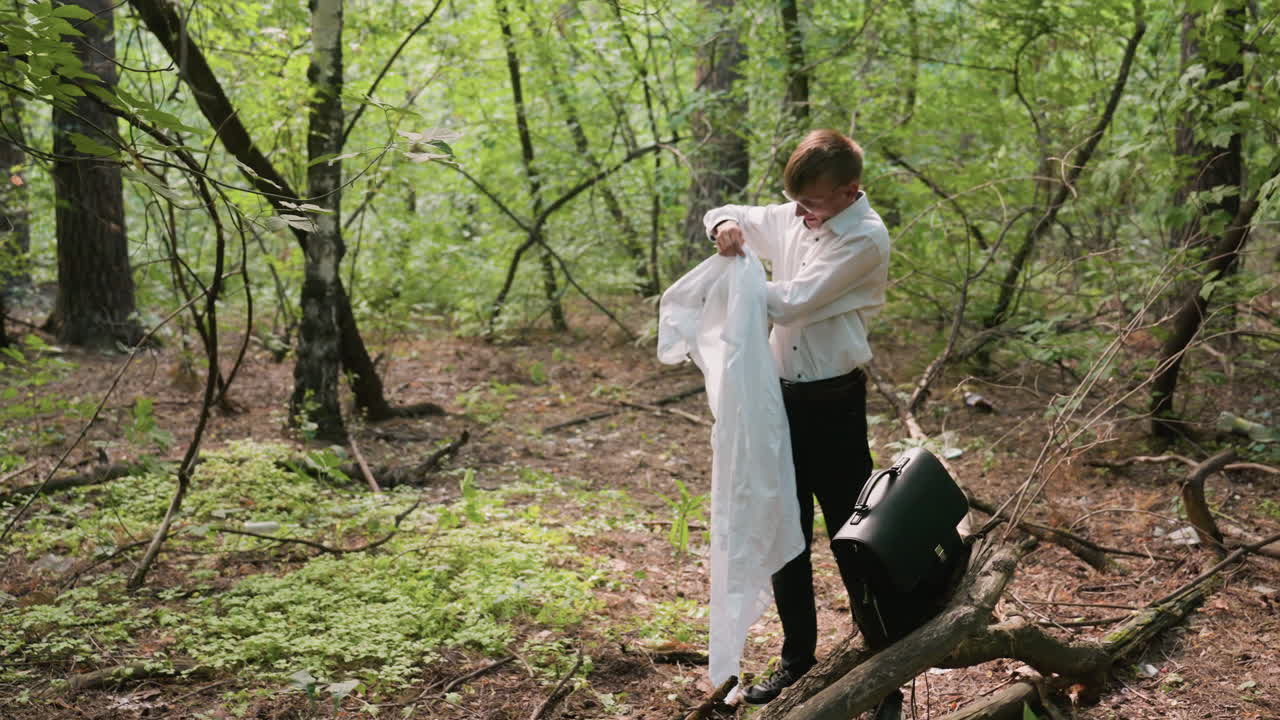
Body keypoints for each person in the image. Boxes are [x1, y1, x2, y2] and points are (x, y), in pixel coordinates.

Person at [704, 129, 900, 717]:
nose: (800, 214)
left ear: (848, 191)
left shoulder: (865, 238)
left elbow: (790, 301)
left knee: (853, 537)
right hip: (777, 401)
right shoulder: (797, 212)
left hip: (834, 404)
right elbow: (728, 210)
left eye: (812, 204)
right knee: (783, 529)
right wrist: (725, 229)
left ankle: (885, 669)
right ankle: (797, 659)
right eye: (795, 203)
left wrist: (736, 283)